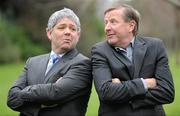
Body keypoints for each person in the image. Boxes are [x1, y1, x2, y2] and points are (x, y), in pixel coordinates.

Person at [91, 4, 174, 116]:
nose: (107, 28)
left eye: (113, 22)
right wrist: (145, 83)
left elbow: (167, 92)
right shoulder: (99, 51)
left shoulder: (155, 46)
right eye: (106, 22)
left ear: (131, 26)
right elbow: (106, 92)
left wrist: (123, 91)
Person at [7, 8, 92, 116]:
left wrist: (23, 93)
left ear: (78, 36)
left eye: (73, 29)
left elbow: (55, 93)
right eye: (61, 27)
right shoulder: (32, 62)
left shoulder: (83, 64)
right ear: (49, 33)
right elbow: (11, 99)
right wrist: (40, 103)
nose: (68, 32)